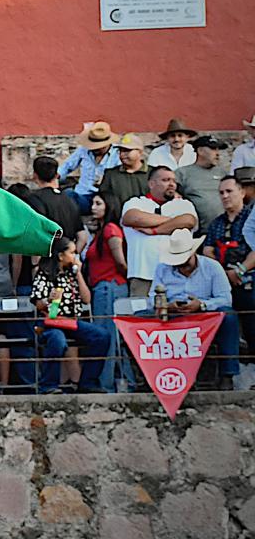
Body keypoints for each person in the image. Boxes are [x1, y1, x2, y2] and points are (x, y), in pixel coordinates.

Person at [150, 230, 241, 390]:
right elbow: (152, 297)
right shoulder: (162, 269)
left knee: (228, 316)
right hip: (173, 316)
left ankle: (227, 374)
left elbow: (225, 299)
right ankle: (148, 376)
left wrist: (202, 305)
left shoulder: (212, 267)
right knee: (141, 317)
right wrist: (167, 306)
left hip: (205, 318)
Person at [26, 236, 111, 392]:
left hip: (72, 322)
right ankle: (48, 385)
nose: (75, 256)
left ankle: (88, 382)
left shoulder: (72, 274)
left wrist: (78, 274)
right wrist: (48, 299)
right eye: (72, 253)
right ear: (60, 255)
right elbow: (38, 304)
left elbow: (86, 299)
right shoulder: (44, 274)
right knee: (57, 339)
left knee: (102, 336)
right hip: (51, 323)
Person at [121, 165, 198, 298]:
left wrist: (154, 230)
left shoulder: (184, 204)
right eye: (166, 180)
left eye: (173, 181)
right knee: (142, 310)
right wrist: (174, 221)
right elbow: (132, 218)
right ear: (151, 184)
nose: (172, 184)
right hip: (143, 275)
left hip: (176, 275)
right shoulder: (135, 202)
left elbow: (188, 221)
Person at [203, 176, 253, 358]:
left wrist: (239, 270)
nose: (224, 196)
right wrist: (223, 274)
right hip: (222, 281)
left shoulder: (252, 219)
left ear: (242, 192)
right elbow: (207, 250)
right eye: (221, 192)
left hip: (249, 280)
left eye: (229, 191)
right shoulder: (216, 223)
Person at [84, 193, 129, 390]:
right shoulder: (101, 231)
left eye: (98, 203)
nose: (93, 207)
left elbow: (120, 261)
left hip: (109, 286)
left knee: (107, 336)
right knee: (107, 336)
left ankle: (107, 383)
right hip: (102, 286)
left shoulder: (111, 229)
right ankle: (113, 381)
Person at [58, 121, 121, 213]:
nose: (94, 149)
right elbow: (67, 166)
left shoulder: (117, 154)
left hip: (105, 198)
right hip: (83, 195)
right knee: (66, 195)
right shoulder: (83, 150)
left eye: (98, 147)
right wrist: (54, 178)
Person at [26, 156, 84, 245]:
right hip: (68, 250)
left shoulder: (34, 199)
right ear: (57, 175)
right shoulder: (70, 200)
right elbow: (82, 236)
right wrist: (72, 252)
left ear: (35, 175)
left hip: (47, 251)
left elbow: (36, 234)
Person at [175, 135, 228, 231]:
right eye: (213, 149)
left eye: (218, 149)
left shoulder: (223, 173)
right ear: (200, 151)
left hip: (226, 229)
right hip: (197, 232)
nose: (217, 153)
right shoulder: (182, 173)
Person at [98, 134, 149, 208]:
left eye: (127, 151)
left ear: (140, 152)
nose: (122, 155)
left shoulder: (153, 174)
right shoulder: (110, 174)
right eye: (120, 151)